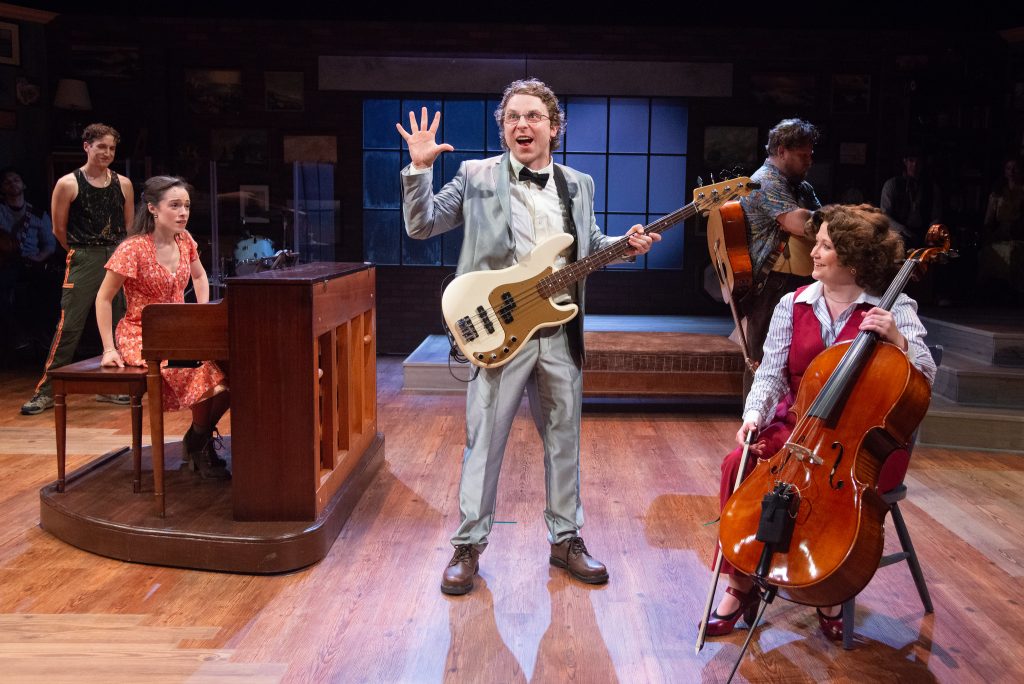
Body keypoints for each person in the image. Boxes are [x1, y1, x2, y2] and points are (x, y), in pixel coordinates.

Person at [397, 79, 659, 595]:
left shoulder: (578, 183)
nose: (522, 124)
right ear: (503, 128)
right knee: (485, 442)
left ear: (554, 127)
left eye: (534, 116)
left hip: (559, 331)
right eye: (513, 117)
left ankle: (566, 539)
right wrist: (420, 169)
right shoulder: (474, 176)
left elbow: (588, 244)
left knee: (564, 440)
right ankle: (468, 545)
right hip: (500, 330)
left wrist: (624, 245)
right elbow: (420, 226)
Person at [706, 204, 937, 641]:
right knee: (739, 462)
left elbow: (925, 374)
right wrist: (753, 417)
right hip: (801, 427)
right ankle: (740, 585)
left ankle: (828, 586)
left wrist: (898, 339)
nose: (813, 252)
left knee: (837, 495)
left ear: (854, 259)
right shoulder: (793, 304)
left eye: (826, 246)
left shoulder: (895, 306)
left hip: (863, 442)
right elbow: (770, 375)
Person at [95, 176, 230, 479]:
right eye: (175, 205)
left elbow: (199, 276)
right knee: (202, 374)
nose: (183, 212)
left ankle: (198, 437)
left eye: (187, 206)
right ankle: (199, 443)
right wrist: (108, 349)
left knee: (234, 370)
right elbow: (103, 298)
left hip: (179, 329)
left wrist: (201, 315)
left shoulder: (185, 240)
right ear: (153, 208)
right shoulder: (133, 248)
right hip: (141, 333)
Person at [21, 123, 134, 415]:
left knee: (119, 321)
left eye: (111, 148)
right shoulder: (68, 183)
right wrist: (80, 252)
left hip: (117, 254)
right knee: (70, 324)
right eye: (101, 147)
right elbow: (58, 229)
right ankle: (46, 392)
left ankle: (111, 387)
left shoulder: (123, 183)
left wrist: (123, 255)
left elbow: (129, 227)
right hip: (84, 254)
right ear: (87, 146)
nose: (107, 153)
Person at [738, 119, 821, 396]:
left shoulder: (801, 186)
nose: (809, 160)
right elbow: (801, 223)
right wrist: (840, 219)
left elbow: (823, 225)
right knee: (764, 361)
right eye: (803, 155)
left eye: (810, 154)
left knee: (795, 359)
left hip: (797, 280)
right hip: (770, 283)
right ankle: (754, 421)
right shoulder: (764, 181)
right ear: (782, 151)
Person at [0, 168, 56, 355]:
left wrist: (39, 257)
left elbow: (50, 244)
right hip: (6, 263)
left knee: (48, 288)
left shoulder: (38, 214)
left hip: (30, 262)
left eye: (16, 180)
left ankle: (41, 333)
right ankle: (16, 334)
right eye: (7, 181)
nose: (12, 184)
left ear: (23, 185)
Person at [978, 157, 1024, 303]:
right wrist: (988, 234)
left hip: (1018, 233)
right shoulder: (998, 193)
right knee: (988, 252)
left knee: (1014, 252)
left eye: (1015, 168)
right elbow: (989, 219)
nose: (1012, 172)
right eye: (1009, 168)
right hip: (999, 234)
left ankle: (1016, 292)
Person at [880, 149, 943, 248]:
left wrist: (930, 233)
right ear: (905, 161)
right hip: (898, 237)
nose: (915, 165)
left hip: (923, 236)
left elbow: (936, 216)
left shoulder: (931, 187)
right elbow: (885, 215)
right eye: (911, 161)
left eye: (918, 162)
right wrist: (903, 230)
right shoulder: (892, 185)